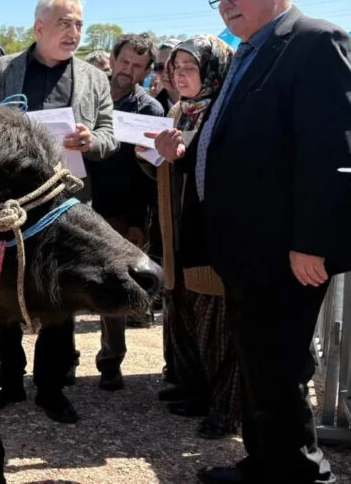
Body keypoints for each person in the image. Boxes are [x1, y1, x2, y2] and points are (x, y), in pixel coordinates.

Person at [185, 0, 351, 484]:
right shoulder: (248, 50)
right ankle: (265, 464)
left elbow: (331, 152)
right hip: (245, 246)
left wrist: (314, 240)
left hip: (288, 251)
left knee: (281, 367)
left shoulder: (314, 42)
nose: (227, 3)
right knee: (258, 362)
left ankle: (304, 475)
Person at [0, 0, 117, 424]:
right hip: (12, 205)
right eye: (64, 23)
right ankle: (9, 381)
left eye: (78, 24)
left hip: (66, 208)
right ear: (39, 27)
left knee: (60, 297)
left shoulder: (94, 78)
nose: (73, 31)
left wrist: (93, 141)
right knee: (3, 295)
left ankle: (51, 387)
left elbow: (110, 133)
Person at [142, 35, 242, 444]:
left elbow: (222, 172)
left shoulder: (225, 111)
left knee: (215, 324)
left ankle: (226, 408)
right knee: (183, 311)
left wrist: (177, 159)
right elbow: (172, 169)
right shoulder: (180, 110)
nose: (180, 75)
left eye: (189, 68)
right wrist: (153, 160)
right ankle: (196, 390)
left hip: (211, 237)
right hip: (178, 232)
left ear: (213, 71)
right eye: (175, 67)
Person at [85, 34, 164, 392]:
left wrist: (138, 222)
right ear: (113, 60)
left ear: (146, 71)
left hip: (119, 212)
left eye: (137, 66)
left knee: (114, 288)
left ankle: (110, 361)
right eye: (124, 62)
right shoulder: (86, 93)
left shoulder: (150, 111)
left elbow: (148, 178)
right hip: (80, 202)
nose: (127, 71)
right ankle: (62, 362)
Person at [148, 38, 180, 113]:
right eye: (160, 67)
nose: (166, 71)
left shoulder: (204, 106)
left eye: (171, 65)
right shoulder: (150, 109)